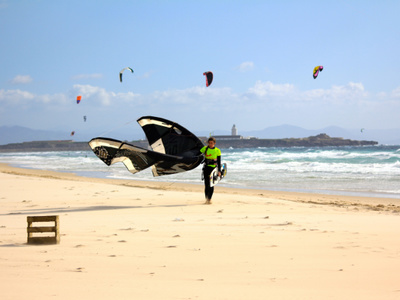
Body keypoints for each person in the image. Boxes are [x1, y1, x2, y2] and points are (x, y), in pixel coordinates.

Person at [200, 137, 222, 204]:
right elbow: (198, 154)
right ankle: (206, 199)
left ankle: (209, 199)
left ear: (214, 143)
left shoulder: (217, 150)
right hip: (206, 168)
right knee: (206, 185)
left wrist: (219, 171)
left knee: (211, 185)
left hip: (213, 169)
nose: (210, 144)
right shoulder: (205, 149)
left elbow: (219, 161)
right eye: (209, 143)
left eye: (212, 143)